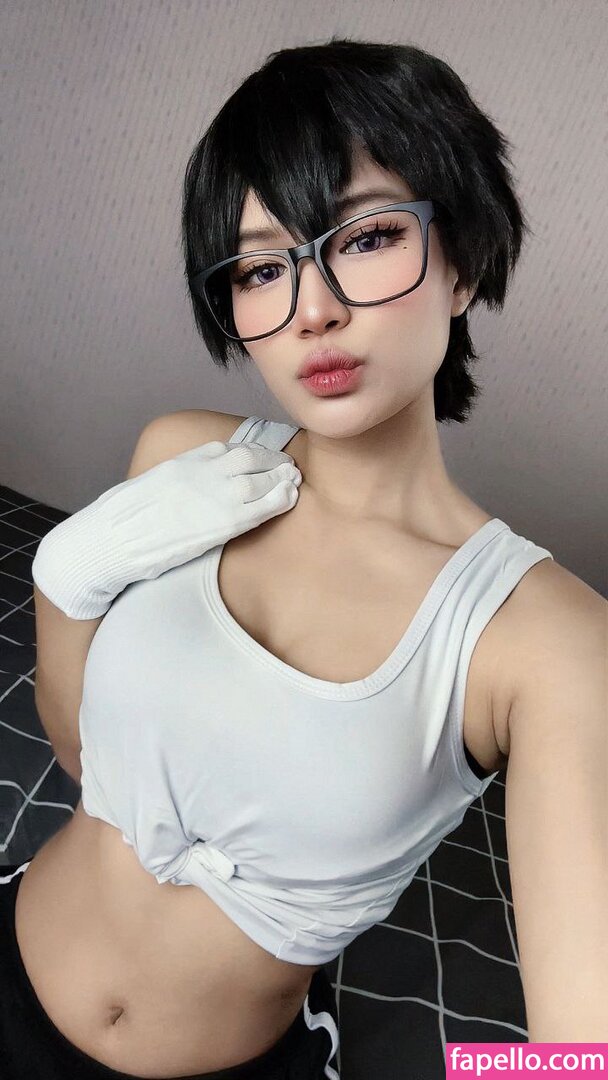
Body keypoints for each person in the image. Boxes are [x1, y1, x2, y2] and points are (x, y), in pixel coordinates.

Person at [2, 35, 606, 1080]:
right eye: (261, 266)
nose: (312, 309)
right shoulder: (181, 459)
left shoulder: (545, 641)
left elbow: (580, 1051)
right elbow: (81, 760)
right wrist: (63, 581)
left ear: (461, 262)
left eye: (364, 238)